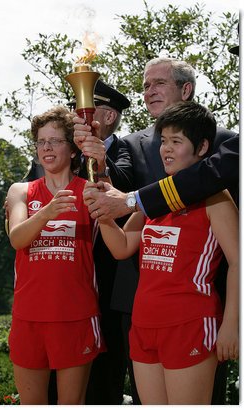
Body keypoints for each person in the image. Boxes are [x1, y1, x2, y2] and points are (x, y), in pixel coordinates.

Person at [74, 56, 237, 403]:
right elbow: (123, 198)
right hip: (142, 313)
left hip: (195, 314)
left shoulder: (225, 148)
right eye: (145, 85)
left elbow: (236, 253)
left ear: (186, 89)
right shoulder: (136, 146)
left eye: (158, 84)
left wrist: (232, 321)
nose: (148, 92)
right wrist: (99, 170)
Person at [22, 81, 132, 405]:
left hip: (104, 290)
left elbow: (127, 197)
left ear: (108, 115)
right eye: (74, 108)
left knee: (101, 385)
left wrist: (100, 163)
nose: (77, 114)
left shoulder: (125, 151)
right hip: (50, 294)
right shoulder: (50, 158)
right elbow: (32, 196)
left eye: (84, 108)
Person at [6, 106, 105, 405]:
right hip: (28, 317)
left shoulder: (89, 191)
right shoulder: (21, 191)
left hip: (76, 316)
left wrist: (99, 162)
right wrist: (48, 211)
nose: (46, 148)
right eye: (40, 141)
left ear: (73, 150)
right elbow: (17, 238)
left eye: (55, 141)